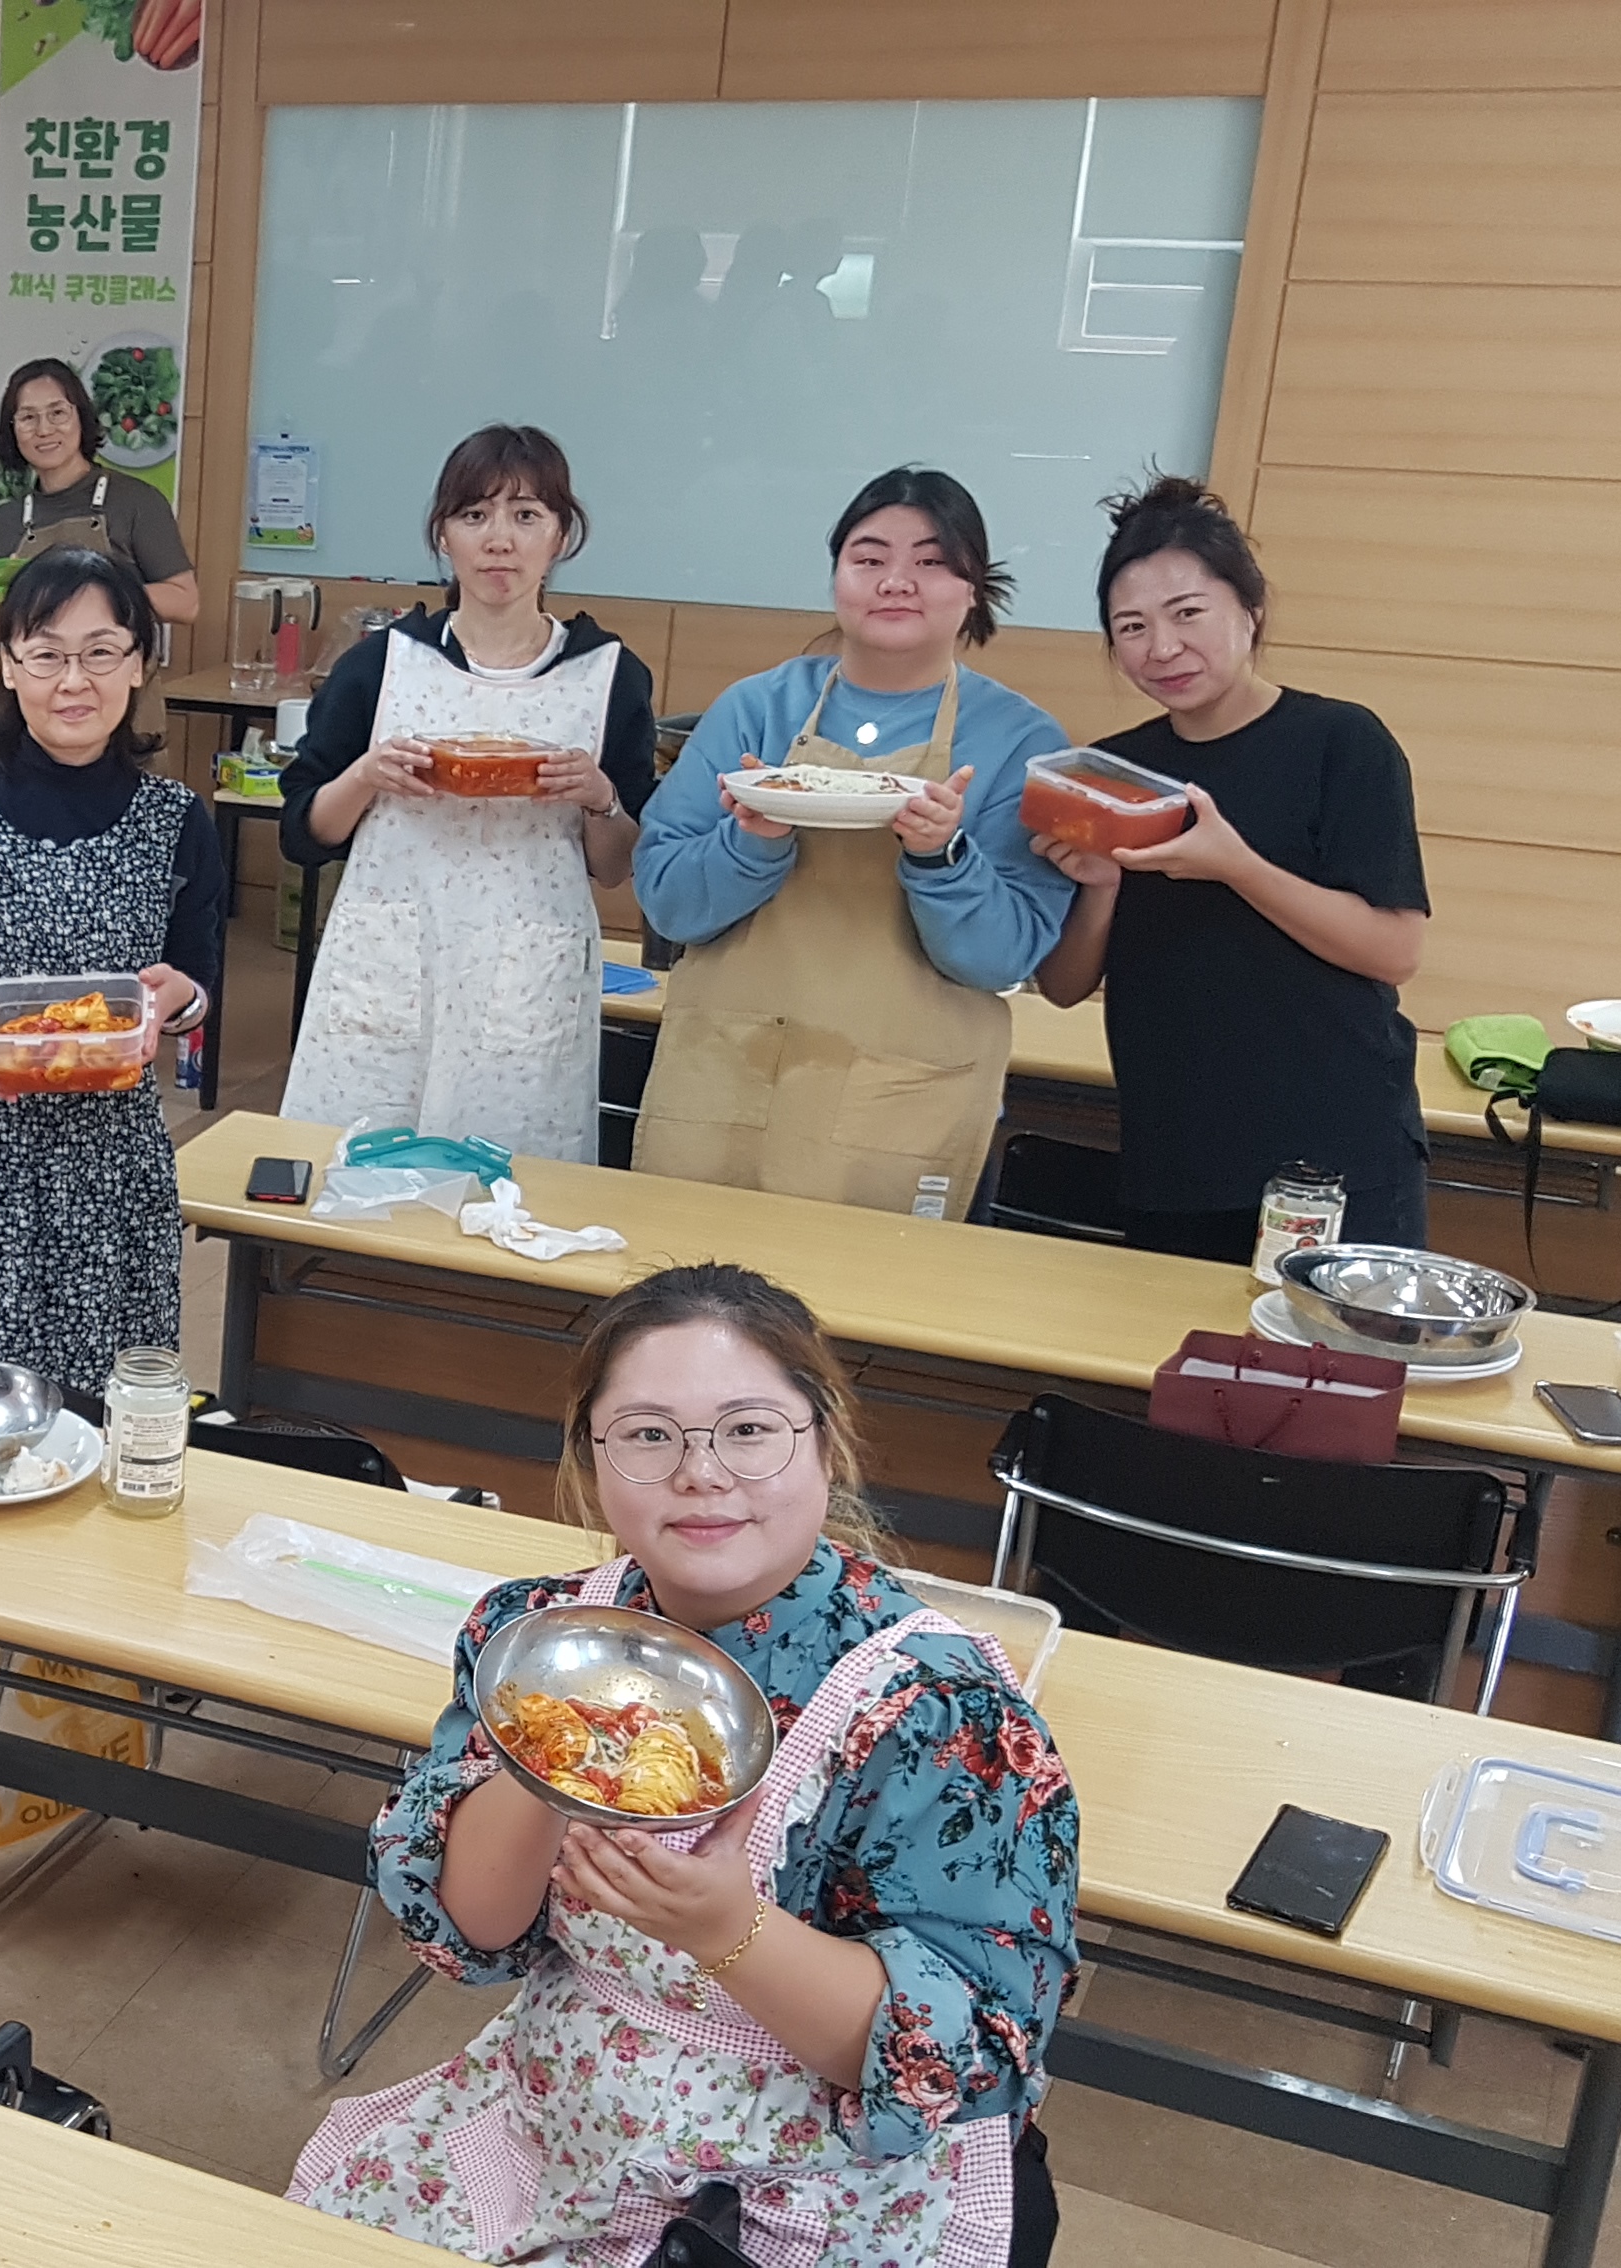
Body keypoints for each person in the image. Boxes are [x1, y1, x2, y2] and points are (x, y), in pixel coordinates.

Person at [292, 1262, 1074, 2267]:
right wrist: (553, 1756)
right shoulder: (537, 1634)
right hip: (563, 2131)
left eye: (748, 1430)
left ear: (825, 1443)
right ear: (591, 1457)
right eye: (649, 1435)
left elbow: (957, 2057)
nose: (701, 1473)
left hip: (809, 2196)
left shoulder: (938, 1713)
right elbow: (475, 1932)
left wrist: (727, 1928)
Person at [630, 469, 1074, 1214]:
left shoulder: (1020, 740)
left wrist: (941, 855)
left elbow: (1003, 957)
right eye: (869, 558)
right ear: (836, 576)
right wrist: (751, 840)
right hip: (731, 1068)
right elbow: (668, 904)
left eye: (931, 561)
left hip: (904, 1093)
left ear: (973, 588)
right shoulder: (757, 708)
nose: (896, 581)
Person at [1031, 477, 1429, 1257]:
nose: (1162, 648)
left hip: (1335, 1158)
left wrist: (1237, 866)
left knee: (1325, 1342)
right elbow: (1064, 985)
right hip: (1173, 1156)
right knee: (1175, 1342)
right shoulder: (1112, 770)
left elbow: (1395, 950)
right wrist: (1101, 888)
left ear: (1249, 611)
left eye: (1188, 613)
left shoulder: (1342, 742)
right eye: (1132, 627)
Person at [0, 549, 218, 1400]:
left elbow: (197, 983)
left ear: (138, 663)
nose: (73, 681)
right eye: (46, 654)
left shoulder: (178, 821)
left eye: (100, 652)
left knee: (98, 1411)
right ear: (9, 663)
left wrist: (179, 1001)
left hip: (113, 1161)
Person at [277, 426, 659, 1162]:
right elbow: (303, 832)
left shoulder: (609, 675)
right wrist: (366, 775)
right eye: (475, 515)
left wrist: (600, 795)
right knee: (353, 1167)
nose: (499, 540)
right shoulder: (381, 665)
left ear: (561, 536)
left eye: (527, 515)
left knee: (512, 1179)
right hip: (390, 955)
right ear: (443, 535)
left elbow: (616, 865)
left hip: (528, 970)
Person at [0, 357, 196, 627]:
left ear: (81, 418)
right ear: (12, 430)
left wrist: (88, 595)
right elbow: (1, 636)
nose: (44, 429)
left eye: (57, 413)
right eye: (28, 418)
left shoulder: (136, 501)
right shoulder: (5, 520)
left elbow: (186, 603)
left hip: (113, 656)